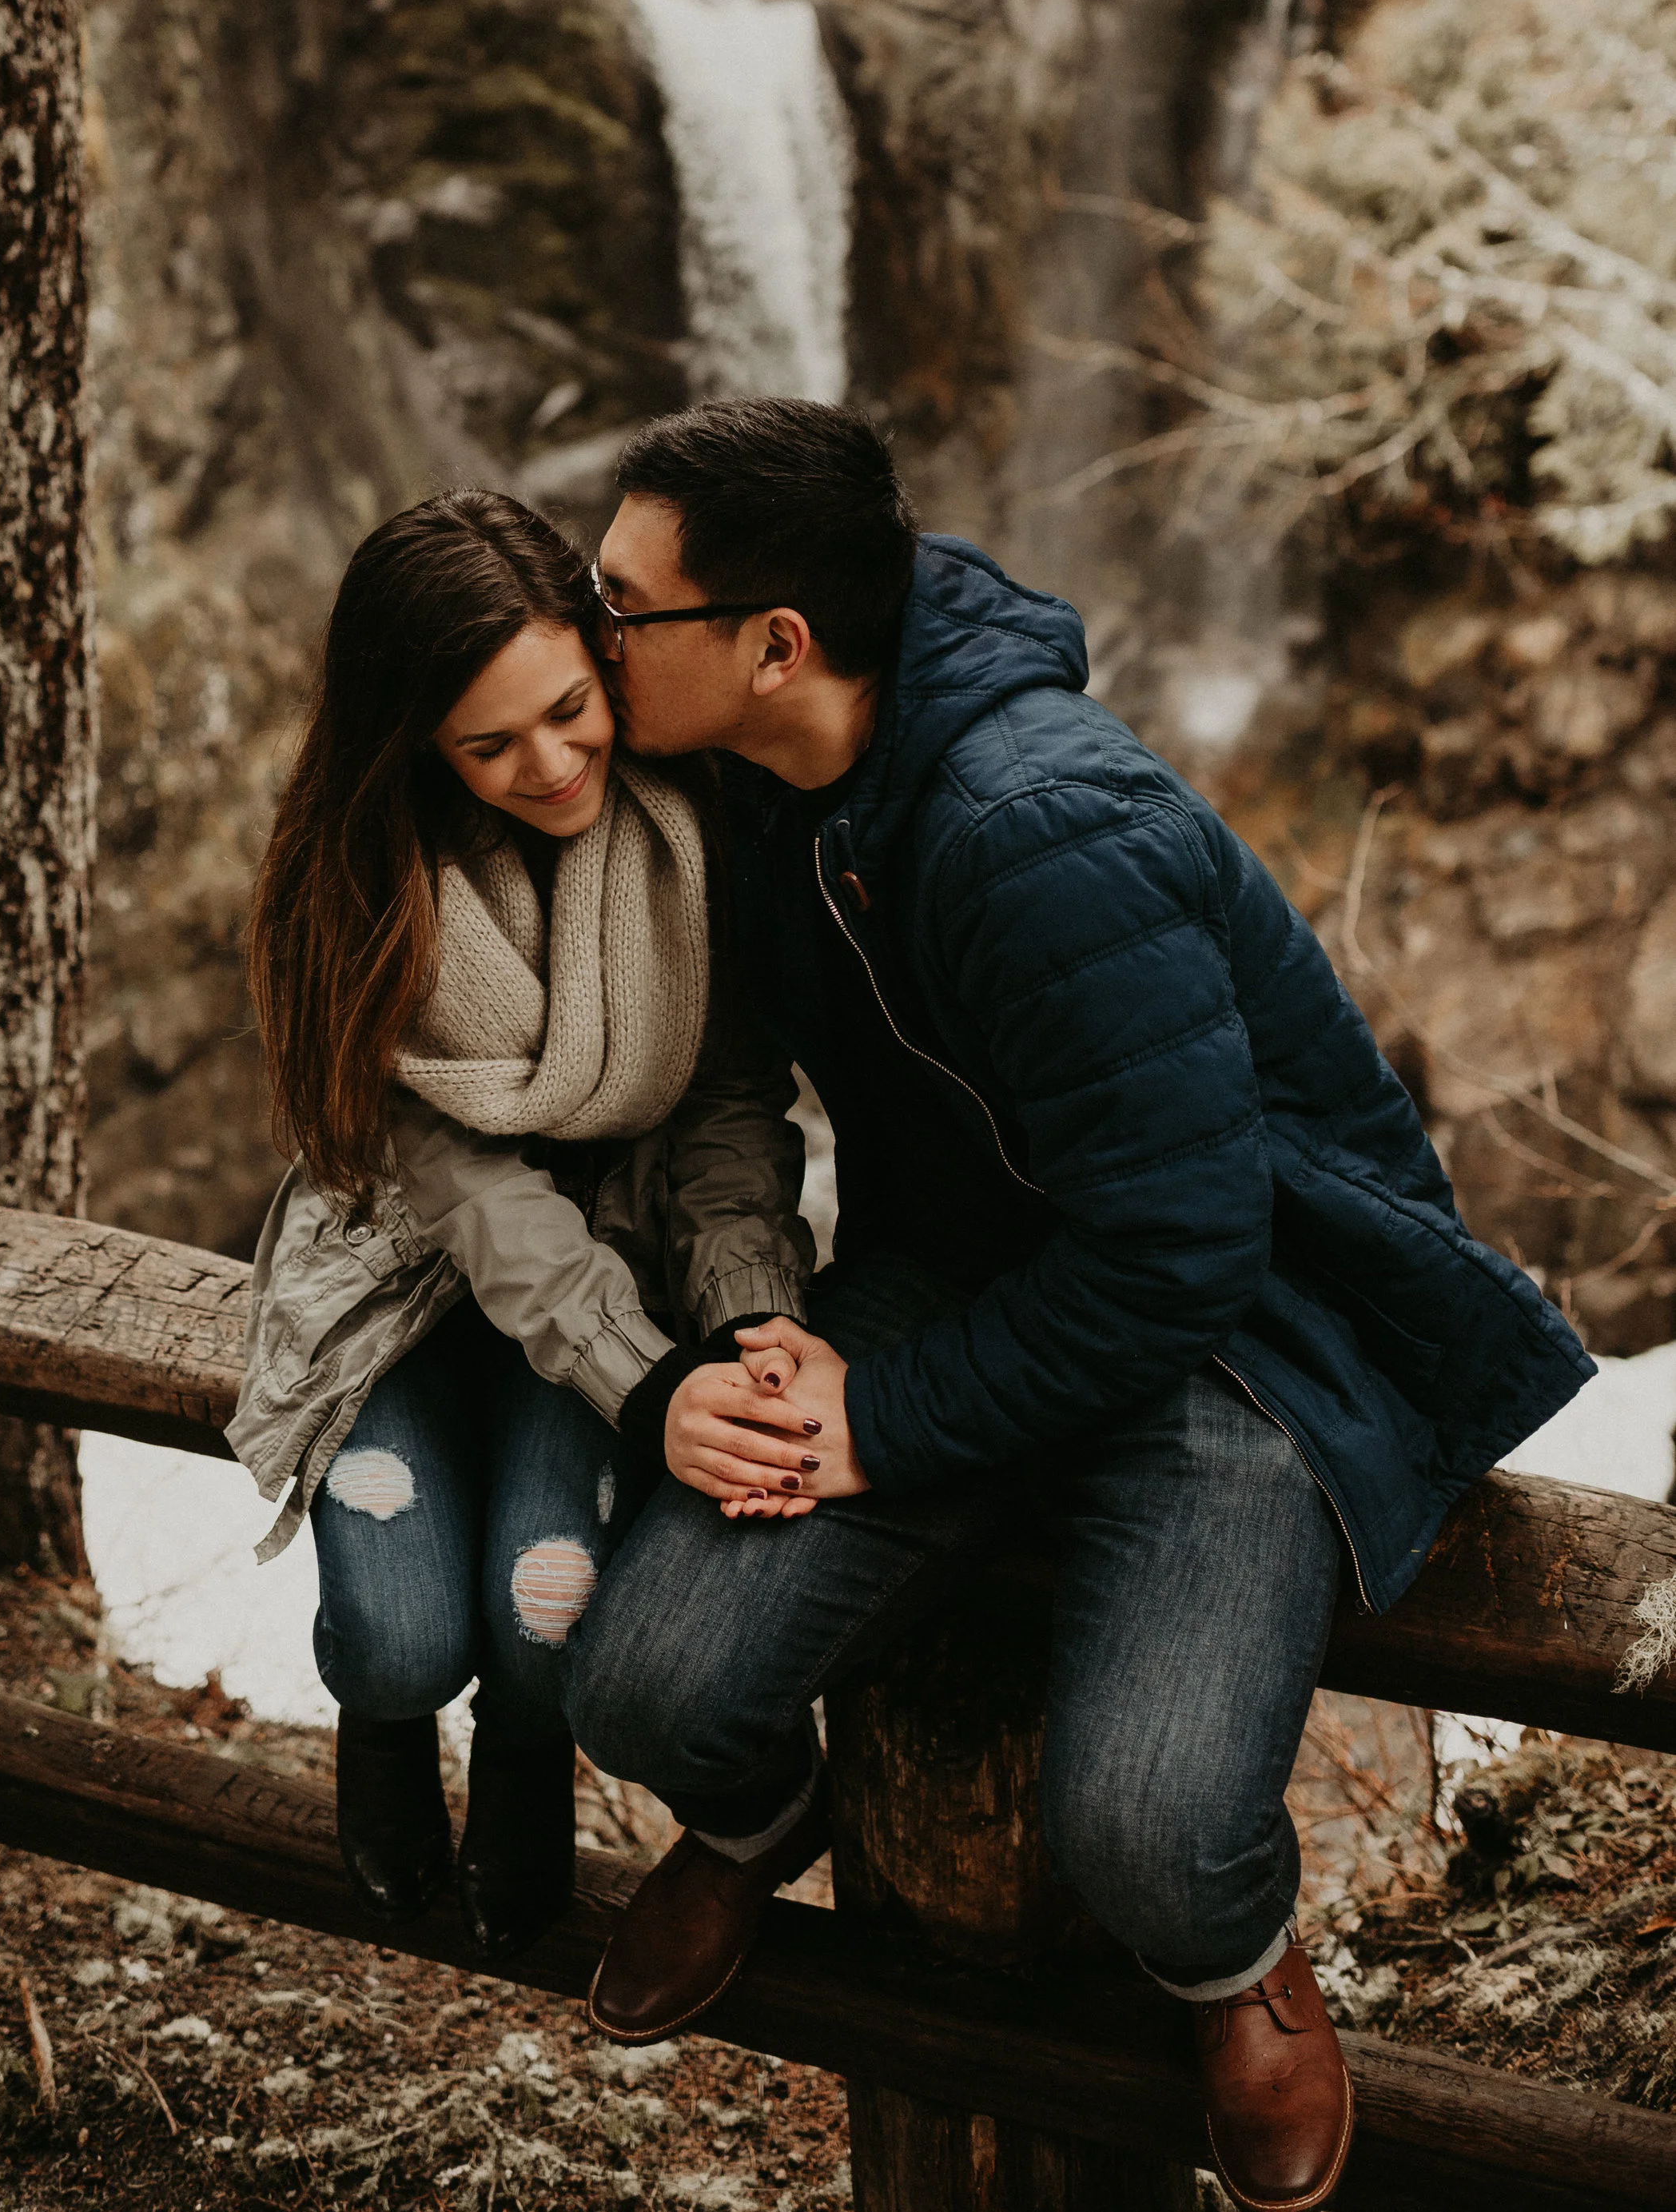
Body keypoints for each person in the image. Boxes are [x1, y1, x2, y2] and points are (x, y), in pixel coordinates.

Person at [561, 399, 1592, 2212]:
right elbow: (728, 1087)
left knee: (1141, 1831)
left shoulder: (1038, 830)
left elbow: (1180, 1252)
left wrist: (881, 1418)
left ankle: (1229, 1962)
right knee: (646, 1681)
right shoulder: (739, 782)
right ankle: (755, 1819)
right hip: (963, 1271)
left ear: (772, 646)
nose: (586, 632)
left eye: (619, 604)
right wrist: (755, 1335)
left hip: (1231, 1334)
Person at [229, 491, 816, 1967]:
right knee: (400, 1635)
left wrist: (748, 1309)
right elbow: (473, 1200)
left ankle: (520, 1756)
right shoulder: (367, 881)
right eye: (489, 745)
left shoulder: (698, 828)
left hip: (613, 1277)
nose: (550, 766)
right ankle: (381, 1721)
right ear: (414, 740)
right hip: (412, 1286)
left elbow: (732, 1107)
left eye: (569, 711)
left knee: (544, 1620)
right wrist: (643, 1375)